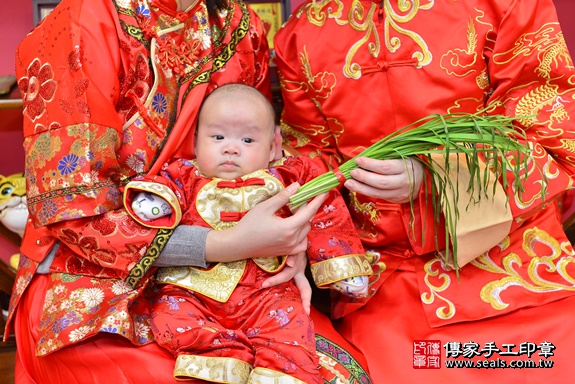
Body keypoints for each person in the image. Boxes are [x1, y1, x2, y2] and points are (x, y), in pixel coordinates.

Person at [4, 1, 373, 383]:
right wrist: (226, 244)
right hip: (92, 277)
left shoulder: (239, 26)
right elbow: (74, 212)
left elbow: (262, 156)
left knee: (339, 375)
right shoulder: (82, 21)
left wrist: (288, 242)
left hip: (247, 281)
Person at [274, 0, 575, 382]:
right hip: (385, 282)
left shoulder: (507, 5)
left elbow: (552, 136)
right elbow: (312, 169)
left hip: (518, 267)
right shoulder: (300, 33)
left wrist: (435, 176)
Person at [124, 83, 373, 382]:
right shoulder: (185, 176)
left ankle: (279, 374)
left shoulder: (288, 176)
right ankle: (223, 361)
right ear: (195, 142)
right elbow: (163, 187)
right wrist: (155, 200)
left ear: (272, 147)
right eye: (217, 137)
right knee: (171, 318)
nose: (231, 148)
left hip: (267, 288)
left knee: (291, 329)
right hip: (191, 287)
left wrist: (341, 266)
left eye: (247, 139)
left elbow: (325, 210)